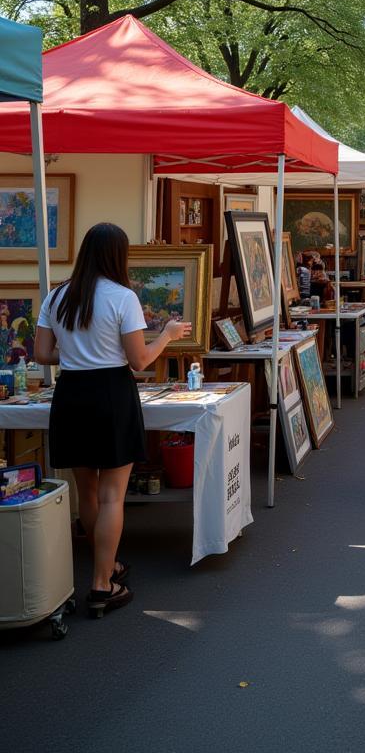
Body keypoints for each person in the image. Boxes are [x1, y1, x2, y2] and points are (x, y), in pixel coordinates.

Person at [33, 222, 192, 618]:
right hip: (111, 394)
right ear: (118, 256)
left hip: (71, 395)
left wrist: (75, 353)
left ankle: (107, 566)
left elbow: (42, 354)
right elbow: (139, 360)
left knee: (88, 494)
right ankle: (102, 583)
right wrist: (168, 335)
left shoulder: (56, 296)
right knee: (112, 496)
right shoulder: (123, 298)